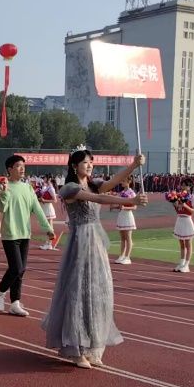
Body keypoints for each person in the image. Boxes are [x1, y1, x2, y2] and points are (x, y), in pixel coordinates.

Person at [42, 147, 147, 368]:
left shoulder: (93, 183)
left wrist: (133, 165)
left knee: (97, 292)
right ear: (74, 166)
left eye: (91, 162)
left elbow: (112, 182)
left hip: (96, 244)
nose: (89, 165)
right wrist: (132, 201)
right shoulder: (69, 188)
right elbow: (99, 198)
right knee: (78, 293)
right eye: (85, 162)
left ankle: (92, 347)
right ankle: (76, 350)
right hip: (80, 243)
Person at [0, 155, 55, 317]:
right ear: (9, 169)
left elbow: (37, 209)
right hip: (10, 234)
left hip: (25, 233)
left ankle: (15, 303)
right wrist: (4, 192)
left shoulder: (27, 188)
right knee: (16, 268)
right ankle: (0, 292)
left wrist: (47, 228)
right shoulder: (2, 187)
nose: (22, 169)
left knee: (21, 271)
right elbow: (2, 208)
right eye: (18, 166)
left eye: (23, 166)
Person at [173, 177, 194, 273]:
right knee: (181, 243)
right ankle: (181, 263)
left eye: (185, 185)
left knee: (188, 243)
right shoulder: (179, 196)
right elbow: (178, 210)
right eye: (182, 185)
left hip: (187, 220)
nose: (183, 187)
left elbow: (193, 212)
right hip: (179, 220)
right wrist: (174, 203)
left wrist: (185, 205)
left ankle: (187, 265)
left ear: (189, 187)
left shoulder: (193, 198)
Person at [112, 175, 137, 265]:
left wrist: (124, 208)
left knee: (128, 237)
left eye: (123, 181)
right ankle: (122, 255)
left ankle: (127, 257)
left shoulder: (132, 193)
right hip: (121, 215)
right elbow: (120, 206)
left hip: (128, 216)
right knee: (122, 237)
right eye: (121, 181)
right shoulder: (121, 193)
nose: (121, 182)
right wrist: (114, 207)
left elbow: (134, 207)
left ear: (128, 182)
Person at [38, 177, 58, 250]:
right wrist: (39, 199)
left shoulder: (51, 189)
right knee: (47, 227)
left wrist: (44, 200)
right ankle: (47, 243)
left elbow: (55, 200)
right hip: (44, 208)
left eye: (45, 178)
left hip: (48, 209)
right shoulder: (46, 188)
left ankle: (49, 244)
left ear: (48, 179)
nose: (43, 180)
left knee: (49, 227)